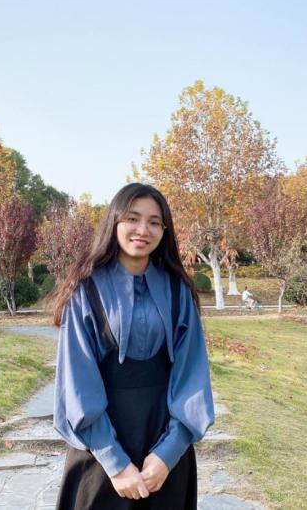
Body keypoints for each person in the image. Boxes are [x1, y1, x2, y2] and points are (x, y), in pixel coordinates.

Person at [50, 183, 215, 509]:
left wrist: (168, 454)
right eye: (133, 218)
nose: (143, 230)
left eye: (154, 222)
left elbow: (193, 376)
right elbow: (76, 382)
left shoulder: (178, 291)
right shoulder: (86, 291)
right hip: (99, 451)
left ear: (164, 231)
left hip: (164, 453)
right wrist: (116, 463)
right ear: (114, 222)